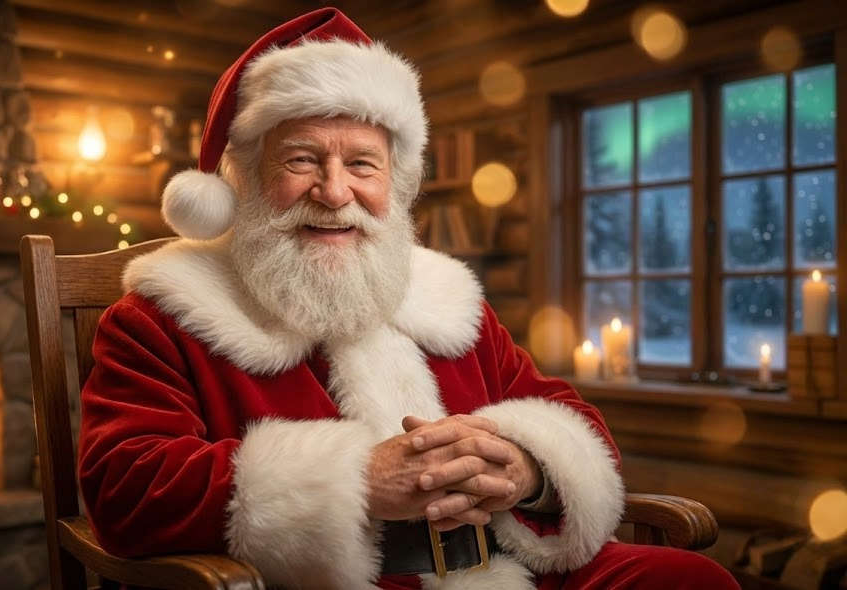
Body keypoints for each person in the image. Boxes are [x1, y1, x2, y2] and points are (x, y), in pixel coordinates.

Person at [77, 7, 740, 590]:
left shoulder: (445, 299)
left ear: (395, 184)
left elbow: (569, 419)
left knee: (690, 579)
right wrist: (358, 481)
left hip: (506, 569)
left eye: (362, 164)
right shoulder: (163, 316)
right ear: (244, 180)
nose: (335, 192)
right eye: (302, 159)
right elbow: (125, 486)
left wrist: (526, 468)